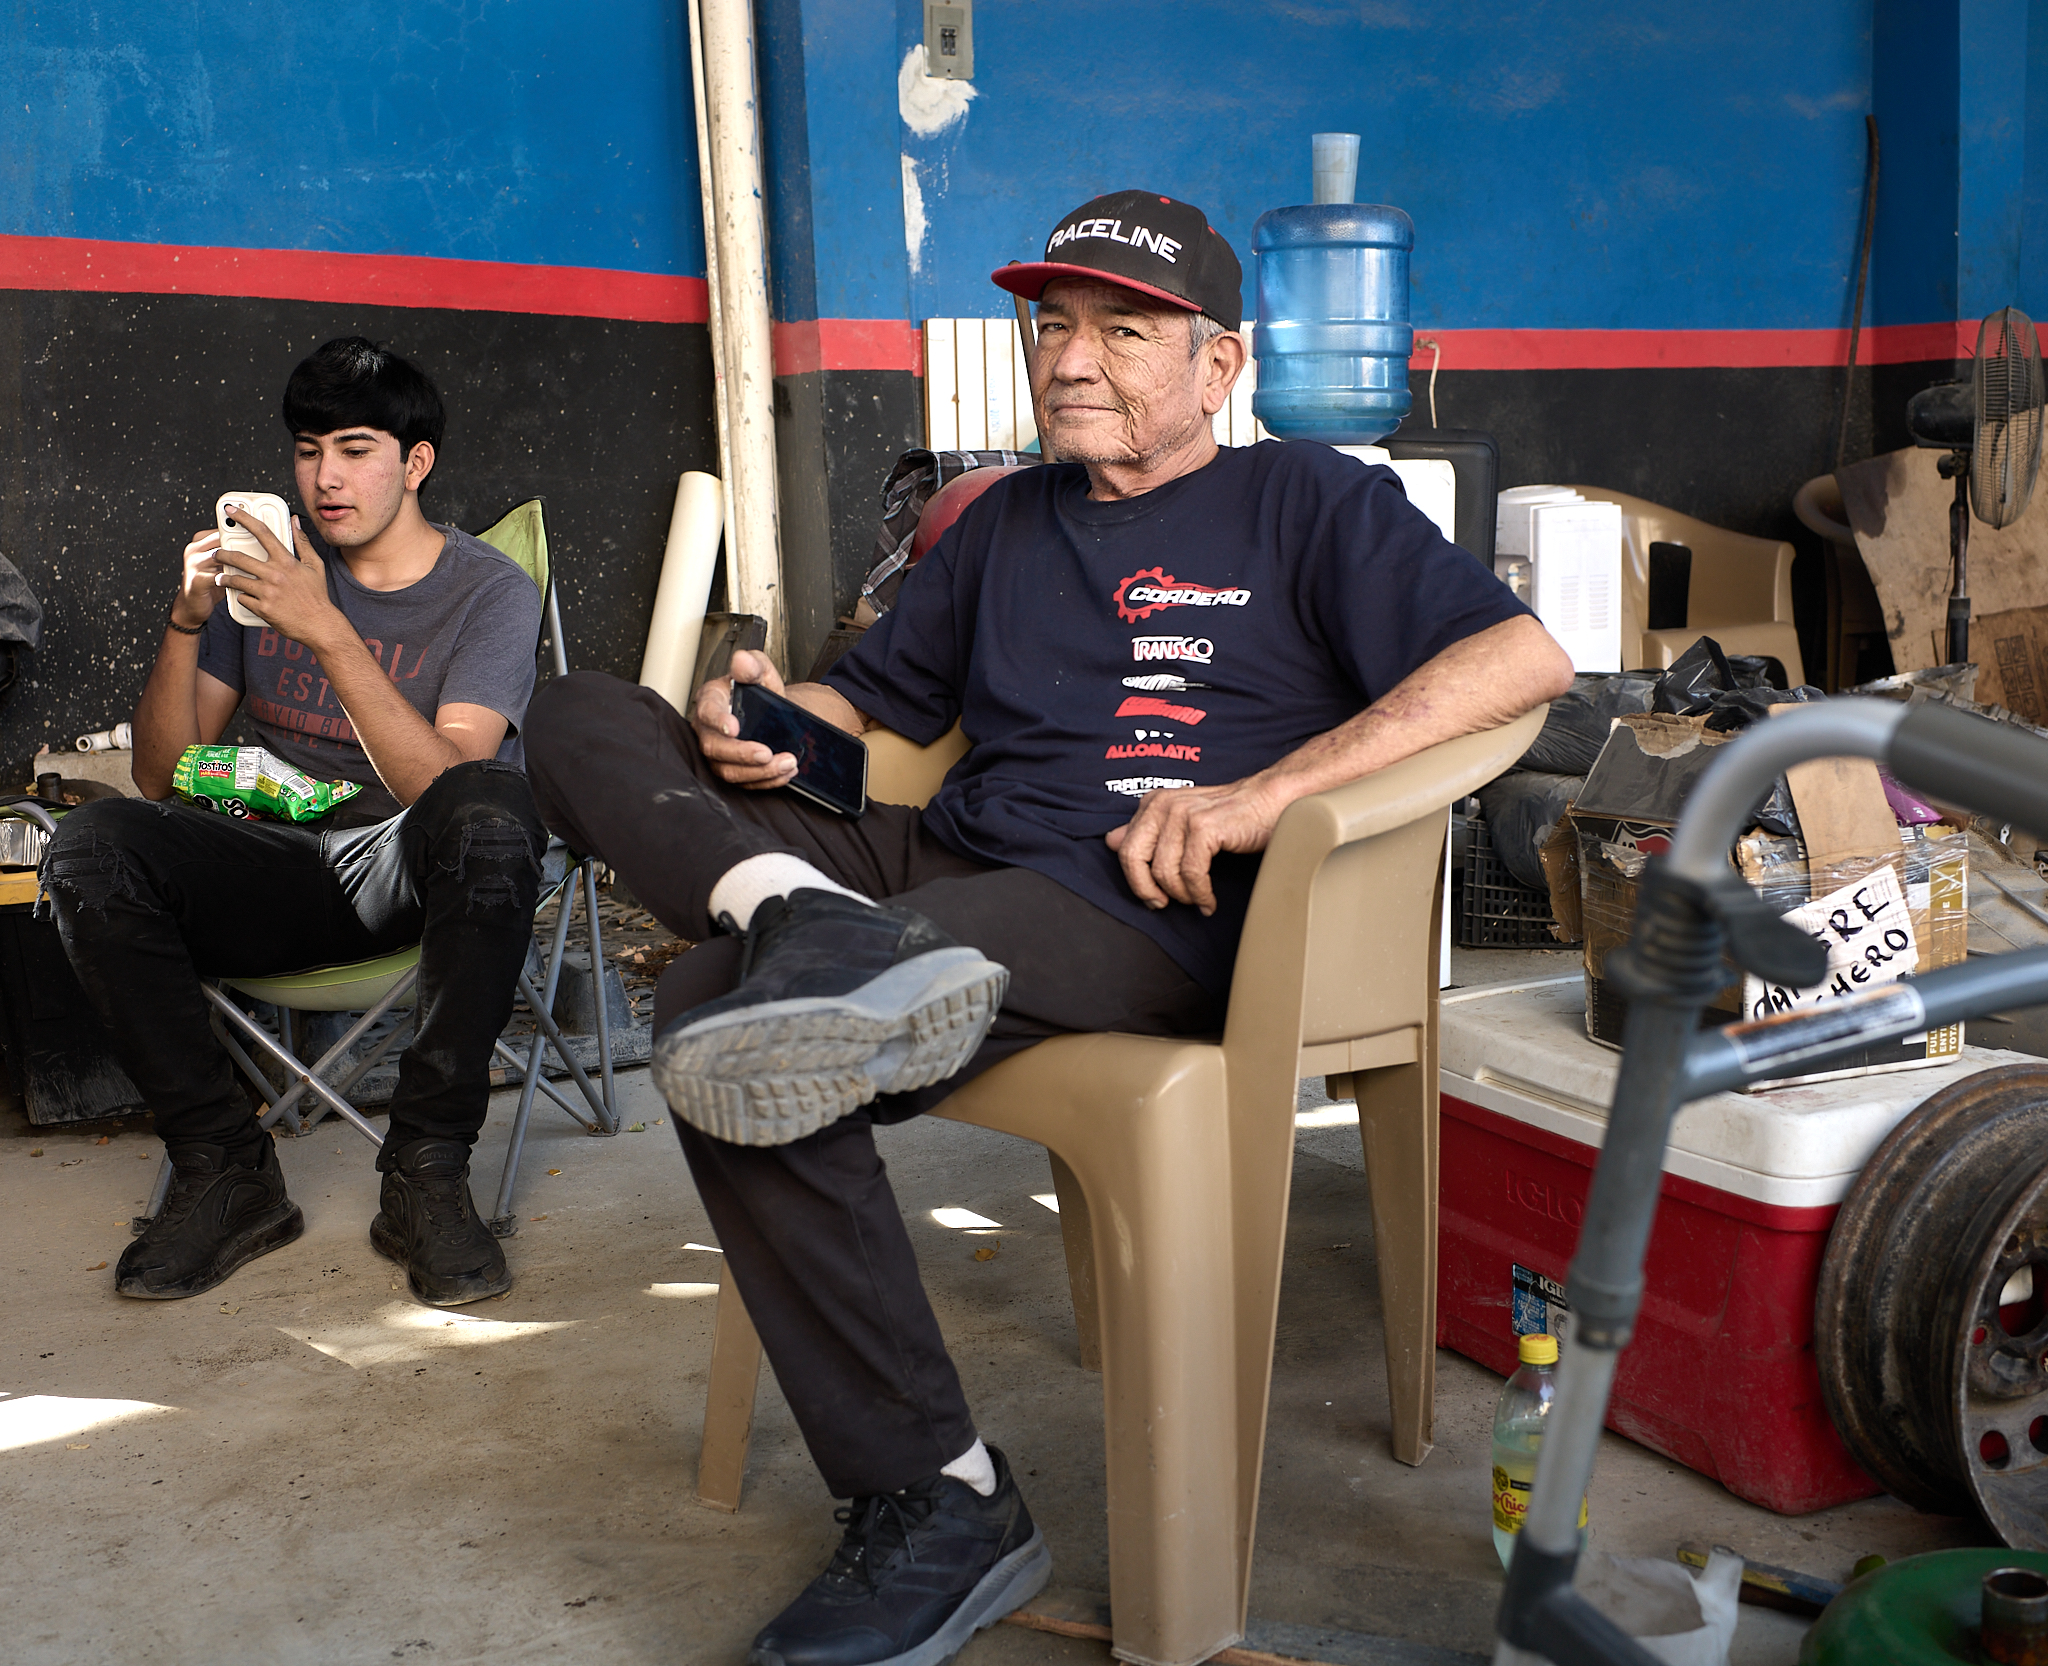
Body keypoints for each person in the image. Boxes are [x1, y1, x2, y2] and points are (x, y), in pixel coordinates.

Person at [521, 189, 1575, 1666]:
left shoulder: (1309, 498)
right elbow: (872, 712)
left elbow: (1524, 657)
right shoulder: (1000, 523)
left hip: (1144, 899)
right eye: (1052, 325)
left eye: (1122, 330)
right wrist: (763, 725)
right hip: (936, 859)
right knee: (576, 712)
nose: (1072, 358)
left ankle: (931, 1497)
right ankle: (801, 914)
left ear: (1219, 364)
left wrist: (1257, 796)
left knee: (712, 1014)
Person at [43, 338, 547, 1309]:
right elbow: (158, 774)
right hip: (273, 867)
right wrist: (188, 620)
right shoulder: (259, 583)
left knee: (491, 809)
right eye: (308, 450)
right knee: (93, 843)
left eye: (356, 449)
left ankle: (425, 1173)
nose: (326, 477)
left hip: (414, 874)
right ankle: (224, 1168)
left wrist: (325, 626)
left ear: (416, 462)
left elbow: (441, 788)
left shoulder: (486, 591)